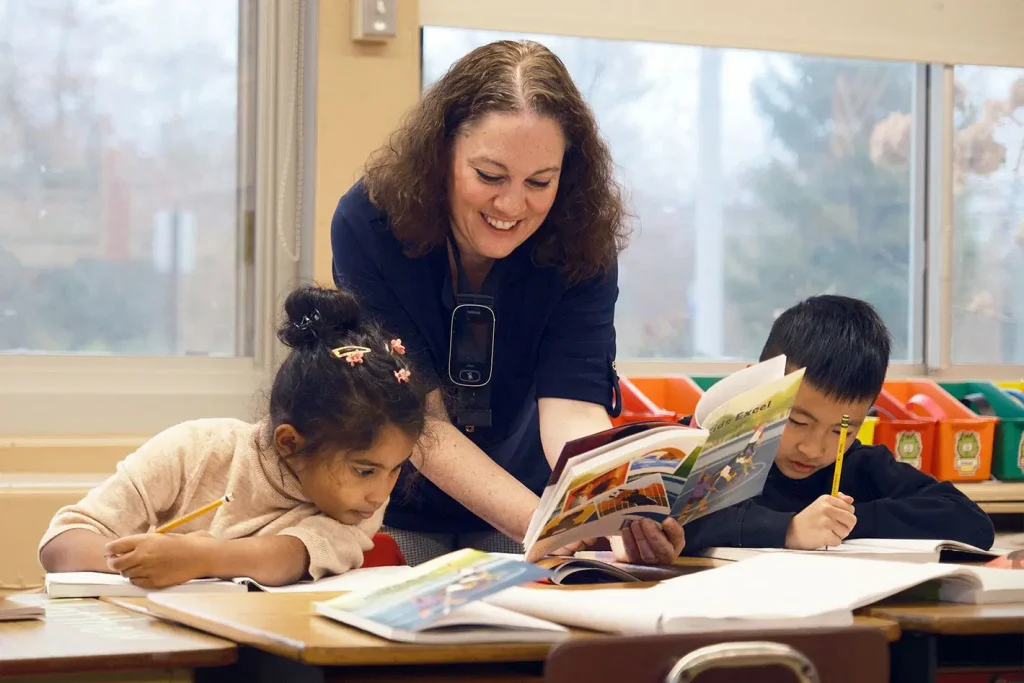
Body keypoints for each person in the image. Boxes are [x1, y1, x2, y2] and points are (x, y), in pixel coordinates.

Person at [330, 39, 685, 565]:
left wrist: (612, 513)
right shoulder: (370, 225)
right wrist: (554, 524)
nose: (511, 205)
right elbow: (421, 425)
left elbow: (573, 409)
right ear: (441, 153)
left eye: (540, 182)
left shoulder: (580, 238)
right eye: (489, 176)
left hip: (523, 490)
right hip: (391, 497)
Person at [38, 285, 430, 588]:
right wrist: (135, 562)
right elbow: (61, 542)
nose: (381, 493)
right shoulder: (195, 449)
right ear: (289, 443)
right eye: (365, 471)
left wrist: (200, 558)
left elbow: (288, 555)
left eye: (395, 469)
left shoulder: (357, 510)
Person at [678, 294, 996, 555]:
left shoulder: (859, 465)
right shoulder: (708, 454)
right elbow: (676, 522)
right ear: (758, 385)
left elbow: (971, 523)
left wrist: (842, 521)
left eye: (843, 430)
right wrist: (788, 529)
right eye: (798, 421)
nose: (814, 449)